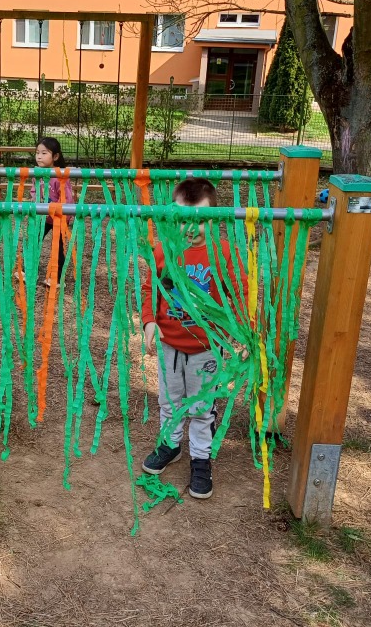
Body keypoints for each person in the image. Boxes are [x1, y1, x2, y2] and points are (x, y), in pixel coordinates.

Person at [139, 177, 245, 500]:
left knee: (201, 407)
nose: (190, 227)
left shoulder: (223, 253)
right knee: (169, 401)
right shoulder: (164, 250)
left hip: (206, 349)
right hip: (169, 346)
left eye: (200, 219)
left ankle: (200, 458)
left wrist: (241, 330)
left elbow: (239, 292)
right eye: (183, 218)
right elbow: (151, 288)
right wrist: (149, 321)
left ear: (214, 219)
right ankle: (170, 445)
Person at [32, 137, 75, 285]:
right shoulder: (36, 173)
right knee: (34, 240)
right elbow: (34, 191)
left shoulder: (59, 176)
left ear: (55, 156)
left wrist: (59, 211)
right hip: (43, 216)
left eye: (44, 153)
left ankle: (56, 278)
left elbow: (67, 199)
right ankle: (28, 271)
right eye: (37, 152)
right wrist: (36, 202)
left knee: (57, 246)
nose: (39, 156)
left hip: (59, 217)